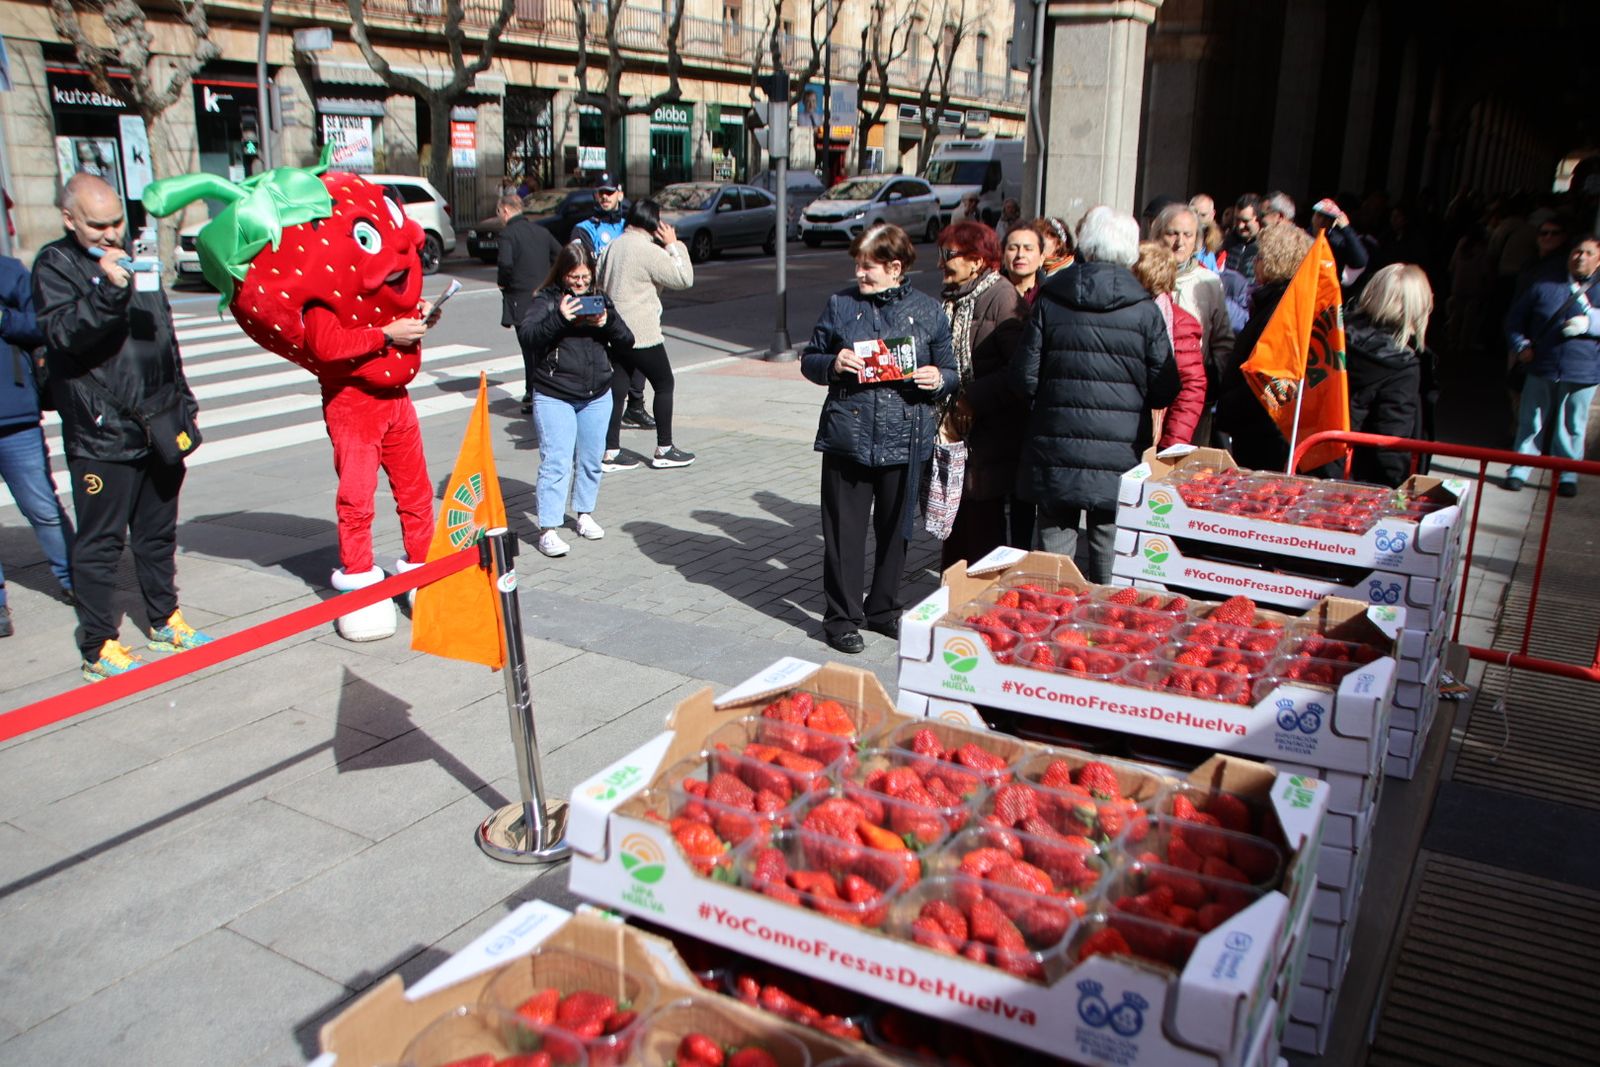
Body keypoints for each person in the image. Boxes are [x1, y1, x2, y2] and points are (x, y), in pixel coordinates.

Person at [32, 174, 211, 681]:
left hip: (158, 423)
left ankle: (164, 618)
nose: (112, 233)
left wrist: (184, 401)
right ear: (70, 220)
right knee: (102, 543)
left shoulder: (140, 260)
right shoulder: (56, 265)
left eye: (118, 221)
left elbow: (162, 336)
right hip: (102, 433)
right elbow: (64, 333)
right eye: (98, 225)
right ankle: (97, 643)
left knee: (156, 535)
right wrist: (108, 289)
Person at [800, 223, 955, 654]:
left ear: (896, 267)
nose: (860, 274)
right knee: (843, 535)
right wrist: (833, 363)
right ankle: (841, 618)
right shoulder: (840, 305)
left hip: (906, 440)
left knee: (896, 532)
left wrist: (938, 378)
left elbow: (952, 371)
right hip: (848, 437)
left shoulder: (927, 310)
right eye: (858, 265)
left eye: (868, 267)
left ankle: (884, 609)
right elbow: (809, 359)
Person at [1013, 207, 1179, 582]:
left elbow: (1024, 376)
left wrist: (1049, 407)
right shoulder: (1144, 309)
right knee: (1110, 547)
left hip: (1056, 444)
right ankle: (1105, 629)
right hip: (1118, 451)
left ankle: (1049, 630)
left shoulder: (1051, 299)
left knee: (1054, 551)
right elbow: (1165, 387)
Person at [518, 241, 635, 556]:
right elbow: (528, 336)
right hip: (555, 393)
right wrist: (559, 318)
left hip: (597, 393)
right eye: (574, 278)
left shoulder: (600, 299)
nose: (581, 284)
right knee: (556, 462)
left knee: (590, 459)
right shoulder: (547, 299)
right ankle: (549, 529)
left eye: (585, 278)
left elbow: (628, 340)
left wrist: (607, 322)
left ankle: (584, 514)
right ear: (562, 274)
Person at [935, 221, 1027, 569]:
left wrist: (971, 397)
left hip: (990, 433)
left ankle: (979, 601)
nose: (941, 263)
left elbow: (1019, 370)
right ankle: (952, 594)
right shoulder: (952, 297)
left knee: (982, 527)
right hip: (955, 433)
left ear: (976, 260)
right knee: (954, 524)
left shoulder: (1001, 296)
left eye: (949, 255)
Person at [1, 253, 75, 638]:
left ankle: (75, 579)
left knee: (42, 507)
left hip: (13, 414)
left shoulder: (9, 271)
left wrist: (4, 320)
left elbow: (44, 325)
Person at [596, 198, 697, 470]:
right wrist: (674, 244)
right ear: (653, 223)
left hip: (613, 327)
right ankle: (664, 448)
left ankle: (610, 451)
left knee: (618, 388)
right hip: (641, 331)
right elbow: (684, 278)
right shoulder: (647, 250)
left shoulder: (613, 246)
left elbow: (598, 278)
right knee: (664, 383)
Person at [1503, 234, 1600, 496]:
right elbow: (1514, 320)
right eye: (1577, 252)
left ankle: (1567, 474)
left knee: (1572, 426)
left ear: (1599, 259)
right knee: (1530, 421)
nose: (1580, 257)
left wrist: (1591, 323)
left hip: (1583, 370)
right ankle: (1520, 468)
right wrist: (1521, 345)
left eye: (1588, 253)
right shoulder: (1544, 286)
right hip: (1542, 365)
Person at [1214, 223, 1316, 472]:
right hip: (1258, 426)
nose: (1255, 263)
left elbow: (1271, 378)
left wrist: (1230, 406)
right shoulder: (1278, 301)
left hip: (1264, 431)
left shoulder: (1282, 309)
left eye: (1260, 257)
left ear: (1275, 261)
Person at [1342, 263, 1436, 487]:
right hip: (1365, 481)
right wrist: (1398, 492)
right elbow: (1392, 438)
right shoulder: (1403, 363)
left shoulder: (1337, 337)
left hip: (1326, 463)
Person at [574, 173, 652, 430]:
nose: (605, 197)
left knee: (639, 351)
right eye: (600, 193)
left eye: (610, 192)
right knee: (605, 359)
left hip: (630, 302)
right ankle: (597, 408)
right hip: (600, 304)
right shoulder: (585, 228)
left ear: (620, 193)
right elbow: (580, 265)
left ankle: (636, 406)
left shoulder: (629, 226)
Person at [1151, 202, 1234, 445]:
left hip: (1192, 395)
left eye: (1187, 235)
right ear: (1158, 235)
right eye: (1172, 233)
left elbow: (1223, 340)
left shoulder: (1208, 282)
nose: (1180, 242)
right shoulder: (1141, 275)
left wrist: (1213, 387)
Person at [1131, 241, 1206, 450]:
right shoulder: (1123, 315)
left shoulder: (1179, 322)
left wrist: (1172, 445)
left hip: (1157, 434)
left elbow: (1190, 388)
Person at [496, 193, 562, 414]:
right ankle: (536, 390)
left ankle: (535, 392)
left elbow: (505, 265)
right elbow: (561, 255)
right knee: (543, 347)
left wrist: (503, 283)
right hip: (545, 298)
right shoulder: (541, 231)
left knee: (529, 350)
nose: (500, 218)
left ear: (505, 210)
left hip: (521, 299)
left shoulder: (508, 235)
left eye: (499, 214)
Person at [1224, 193, 1264, 283]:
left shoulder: (1265, 247)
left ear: (1258, 219)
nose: (1240, 226)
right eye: (1237, 220)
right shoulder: (1227, 241)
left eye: (1245, 221)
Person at [1002, 223, 1044, 303]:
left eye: (1028, 249)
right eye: (1013, 248)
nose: (1020, 255)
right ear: (1003, 256)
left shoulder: (1052, 296)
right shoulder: (990, 294)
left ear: (1041, 258)